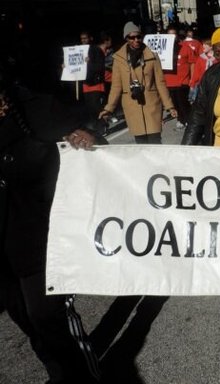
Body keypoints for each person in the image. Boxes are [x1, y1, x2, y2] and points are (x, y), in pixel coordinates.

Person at [0, 63, 104, 384]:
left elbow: (92, 143)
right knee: (24, 319)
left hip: (39, 238)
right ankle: (60, 373)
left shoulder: (35, 109)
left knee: (50, 317)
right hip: (3, 251)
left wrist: (85, 136)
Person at [99, 22, 177, 144]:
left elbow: (160, 83)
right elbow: (116, 87)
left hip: (151, 105)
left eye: (138, 37)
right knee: (141, 144)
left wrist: (169, 106)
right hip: (132, 106)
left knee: (155, 141)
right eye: (132, 37)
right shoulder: (119, 59)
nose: (136, 40)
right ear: (126, 38)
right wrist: (109, 108)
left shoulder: (152, 56)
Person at [164, 24, 194, 130]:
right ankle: (180, 120)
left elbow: (192, 63)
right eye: (169, 35)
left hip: (183, 81)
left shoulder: (185, 47)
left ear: (177, 36)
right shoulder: (164, 48)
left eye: (174, 35)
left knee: (184, 103)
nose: (172, 37)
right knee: (174, 104)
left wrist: (193, 79)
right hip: (169, 81)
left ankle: (189, 121)